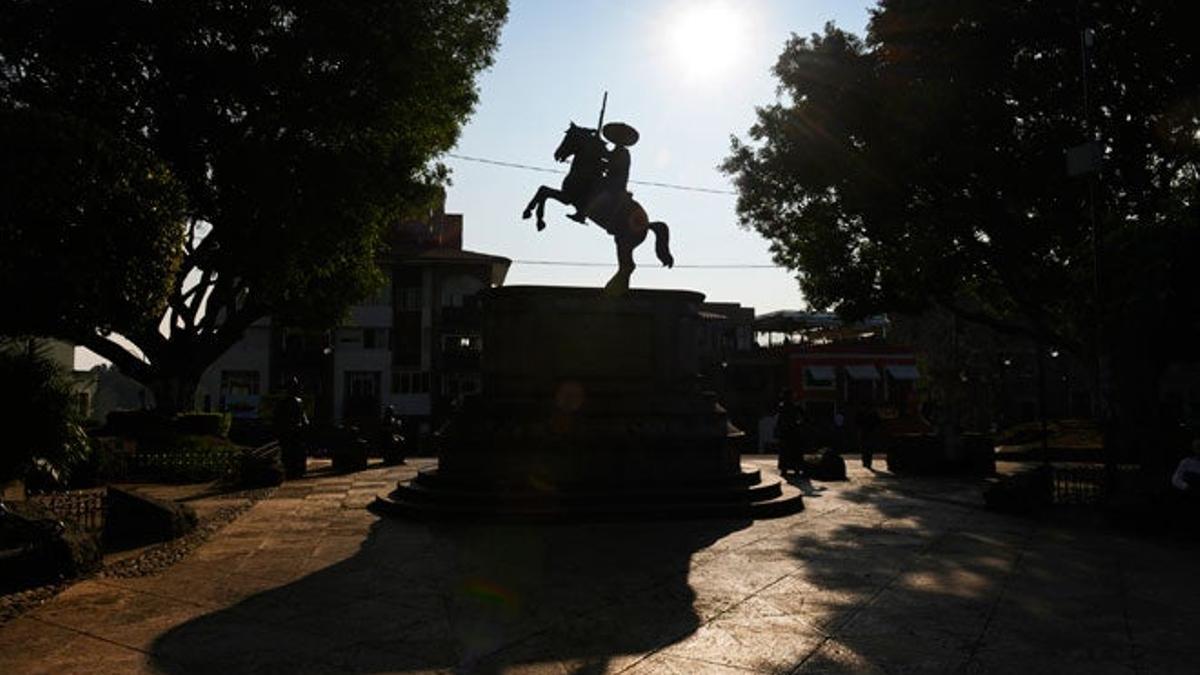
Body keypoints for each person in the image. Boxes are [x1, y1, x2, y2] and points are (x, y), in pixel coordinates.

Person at [776, 389, 802, 475]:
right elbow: (801, 417)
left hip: (785, 432)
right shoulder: (794, 406)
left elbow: (779, 420)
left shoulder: (782, 406)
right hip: (792, 431)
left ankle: (785, 469)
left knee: (785, 451)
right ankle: (796, 468)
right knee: (794, 451)